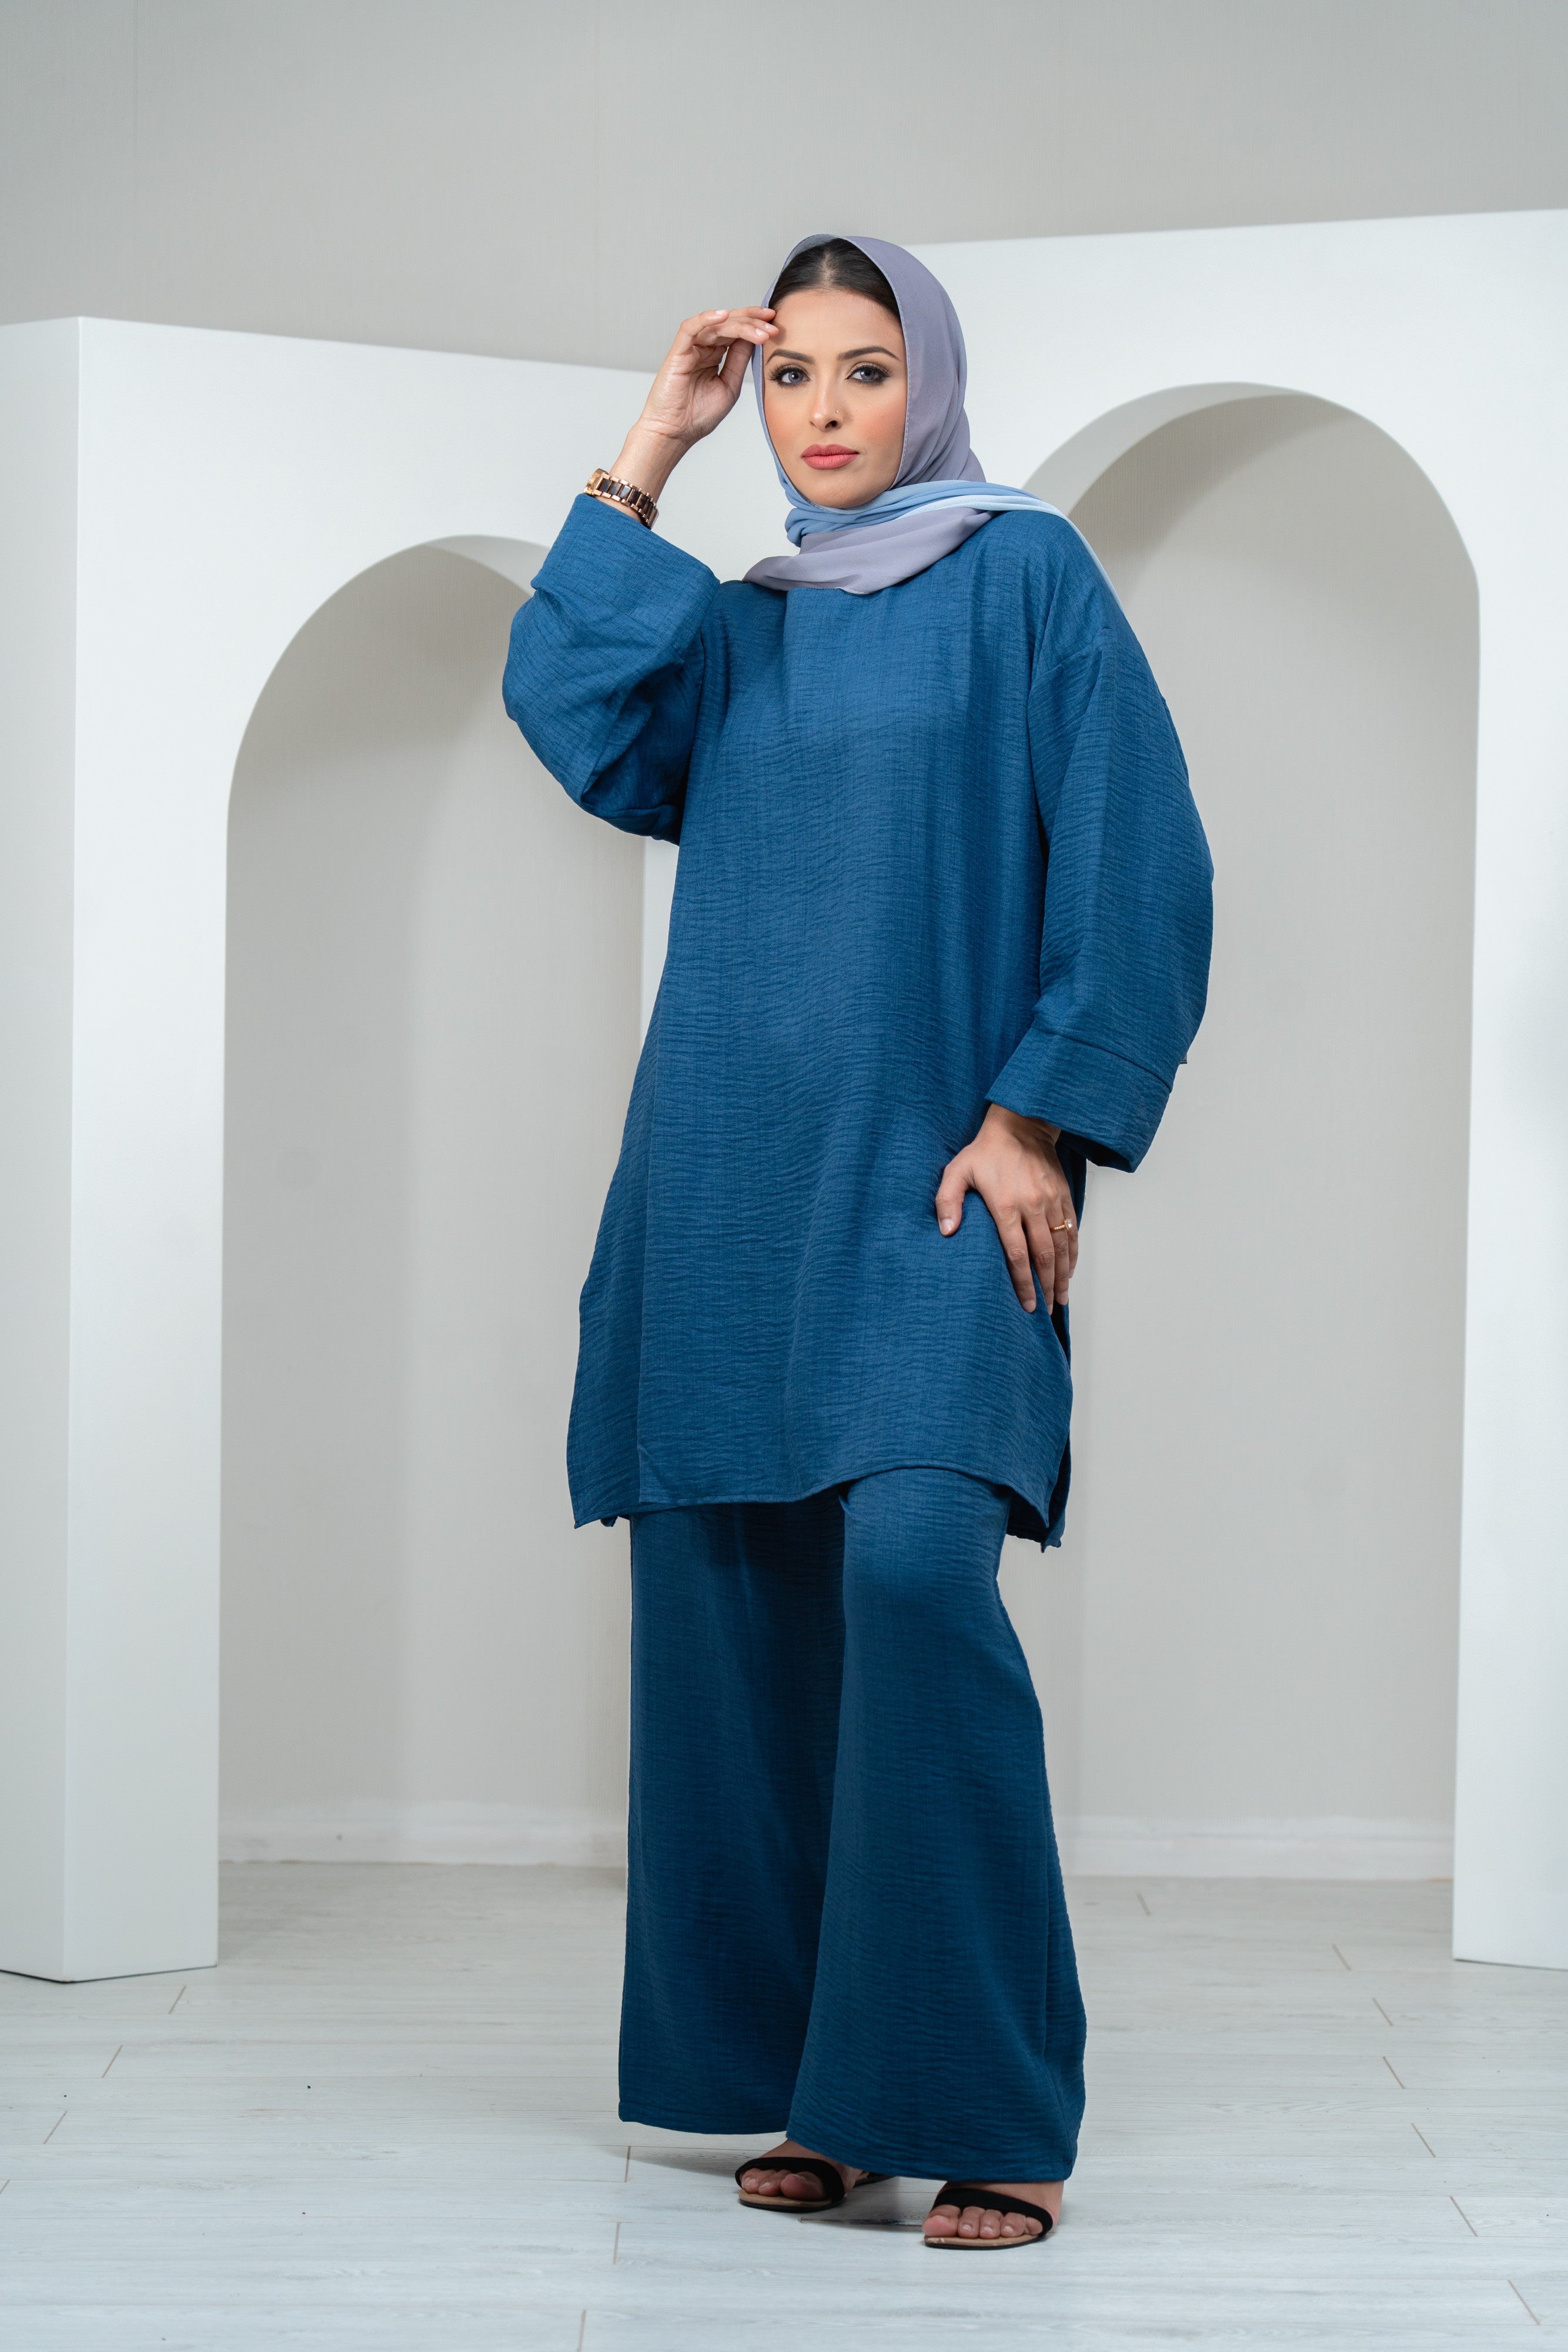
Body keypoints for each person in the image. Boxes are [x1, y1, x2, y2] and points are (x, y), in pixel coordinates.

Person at [503, 234, 1212, 2249]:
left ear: (934, 384)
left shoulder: (1027, 577)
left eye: (866, 368)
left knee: (908, 1578)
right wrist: (653, 444)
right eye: (790, 374)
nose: (823, 411)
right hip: (728, 1184)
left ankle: (982, 2105)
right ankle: (814, 2092)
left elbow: (1140, 861)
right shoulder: (740, 627)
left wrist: (1034, 1114)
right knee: (741, 1627)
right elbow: (571, 712)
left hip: (935, 1184)